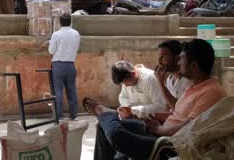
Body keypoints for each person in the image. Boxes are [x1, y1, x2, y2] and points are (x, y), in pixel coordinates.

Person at [86, 39, 227, 160]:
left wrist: (159, 129)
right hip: (160, 131)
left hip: (169, 144)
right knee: (102, 128)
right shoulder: (194, 87)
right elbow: (177, 112)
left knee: (116, 135)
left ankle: (106, 113)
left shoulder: (211, 92)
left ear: (194, 65)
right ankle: (107, 115)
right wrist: (157, 120)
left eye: (181, 59)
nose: (178, 63)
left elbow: (189, 128)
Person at [48, 13, 80, 120]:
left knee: (58, 91)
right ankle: (74, 115)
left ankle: (59, 116)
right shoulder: (76, 34)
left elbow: (51, 51)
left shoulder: (56, 34)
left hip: (58, 65)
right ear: (70, 21)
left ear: (60, 22)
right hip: (71, 65)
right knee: (72, 91)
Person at [155, 40, 193, 110]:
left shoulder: (188, 82)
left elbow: (178, 110)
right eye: (159, 56)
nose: (159, 61)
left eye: (162, 56)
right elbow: (168, 108)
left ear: (177, 58)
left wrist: (160, 82)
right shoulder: (170, 79)